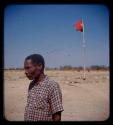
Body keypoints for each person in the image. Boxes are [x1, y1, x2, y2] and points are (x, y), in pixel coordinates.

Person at [24, 54, 64, 121]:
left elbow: (57, 116)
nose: (25, 72)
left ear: (39, 66)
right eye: (25, 68)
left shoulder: (52, 86)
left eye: (28, 68)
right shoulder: (31, 85)